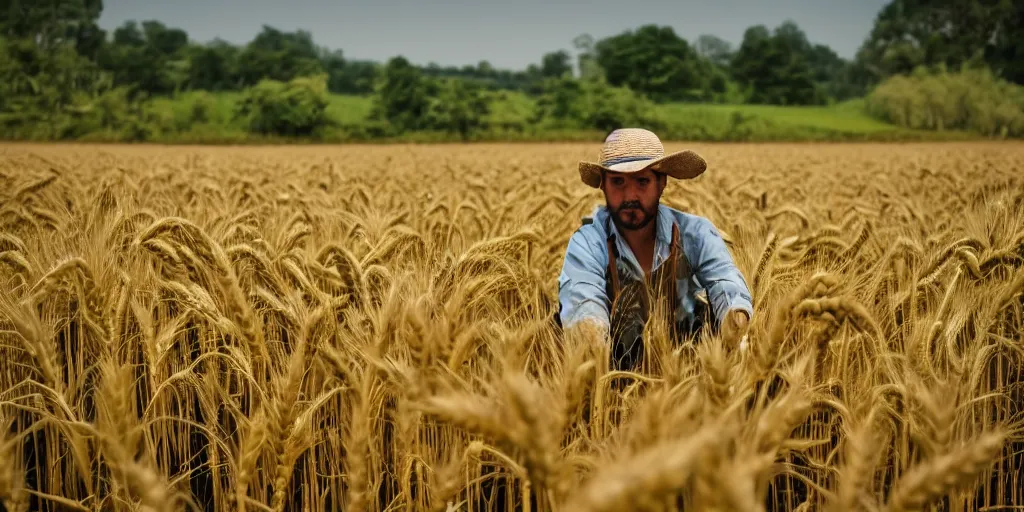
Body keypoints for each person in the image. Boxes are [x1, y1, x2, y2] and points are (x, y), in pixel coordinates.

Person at [556, 128, 753, 370]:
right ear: (604, 187)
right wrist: (590, 338)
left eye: (642, 181)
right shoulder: (587, 242)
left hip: (690, 377)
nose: (630, 195)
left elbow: (724, 277)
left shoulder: (696, 233)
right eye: (618, 182)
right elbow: (582, 296)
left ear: (662, 183)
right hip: (614, 382)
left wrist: (735, 318)